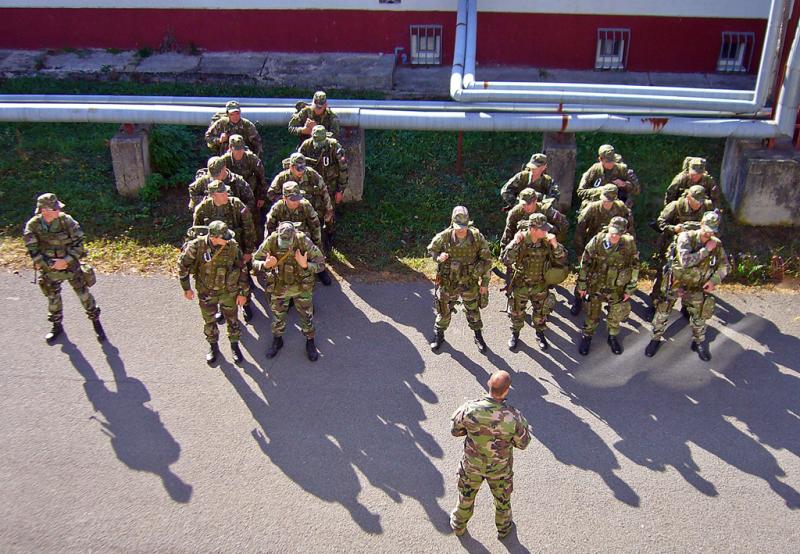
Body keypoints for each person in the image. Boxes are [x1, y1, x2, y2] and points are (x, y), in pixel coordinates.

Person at [450, 370, 531, 540]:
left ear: (488, 384)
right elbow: (522, 443)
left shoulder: (469, 409)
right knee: (502, 501)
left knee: (466, 496)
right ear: (507, 390)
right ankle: (504, 529)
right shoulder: (514, 417)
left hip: (472, 466)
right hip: (500, 469)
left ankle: (458, 525)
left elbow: (455, 431)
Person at [645, 211, 729, 361]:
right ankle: (655, 338)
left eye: (712, 231)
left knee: (699, 316)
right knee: (663, 311)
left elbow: (725, 266)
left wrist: (714, 281)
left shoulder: (716, 244)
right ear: (701, 224)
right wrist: (706, 250)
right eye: (707, 229)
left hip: (697, 286)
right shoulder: (686, 237)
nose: (709, 233)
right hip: (675, 283)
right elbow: (685, 261)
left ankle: (699, 342)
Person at [23, 193, 105, 343]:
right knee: (53, 297)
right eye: (55, 208)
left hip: (71, 267)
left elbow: (79, 244)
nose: (59, 210)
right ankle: (56, 326)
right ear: (44, 210)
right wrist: (50, 264)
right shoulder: (33, 226)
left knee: (83, 294)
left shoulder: (67, 221)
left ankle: (96, 322)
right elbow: (33, 250)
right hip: (50, 269)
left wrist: (66, 261)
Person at [253, 222, 326, 362]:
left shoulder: (303, 241)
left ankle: (310, 341)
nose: (285, 245)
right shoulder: (272, 241)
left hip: (301, 287)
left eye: (288, 242)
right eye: (283, 242)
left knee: (307, 316)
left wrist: (305, 265)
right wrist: (265, 264)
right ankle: (277, 340)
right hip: (279, 287)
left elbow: (321, 264)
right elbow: (255, 260)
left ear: (294, 235)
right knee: (278, 317)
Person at [178, 221, 249, 364]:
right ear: (214, 237)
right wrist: (186, 288)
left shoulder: (233, 246)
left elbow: (242, 269)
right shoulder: (197, 246)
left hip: (228, 292)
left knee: (232, 320)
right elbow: (183, 265)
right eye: (224, 238)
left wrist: (243, 293)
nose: (227, 240)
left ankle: (234, 345)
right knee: (209, 321)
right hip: (206, 292)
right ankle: (213, 346)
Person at [427, 206, 493, 353]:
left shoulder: (477, 237)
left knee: (473, 309)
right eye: (458, 227)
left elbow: (487, 261)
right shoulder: (444, 237)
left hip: (469, 282)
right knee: (444, 310)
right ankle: (439, 335)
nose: (461, 230)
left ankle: (478, 335)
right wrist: (439, 257)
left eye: (464, 227)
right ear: (452, 223)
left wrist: (485, 283)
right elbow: (431, 249)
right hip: (449, 282)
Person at [501, 213, 567, 351]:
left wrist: (555, 245)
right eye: (543, 229)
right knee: (517, 312)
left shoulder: (547, 241)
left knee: (540, 312)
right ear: (533, 229)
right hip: (521, 286)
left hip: (540, 286)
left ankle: (540, 333)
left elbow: (562, 259)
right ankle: (515, 333)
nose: (546, 231)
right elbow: (505, 260)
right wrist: (514, 243)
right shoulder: (521, 240)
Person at [193, 180, 257, 322]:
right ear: (213, 195)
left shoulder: (236, 205)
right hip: (214, 255)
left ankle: (246, 304)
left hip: (236, 251)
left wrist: (248, 250)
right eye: (222, 193)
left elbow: (249, 227)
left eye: (226, 192)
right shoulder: (202, 209)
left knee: (242, 278)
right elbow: (196, 234)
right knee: (218, 282)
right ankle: (223, 308)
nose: (226, 195)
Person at [576, 216, 639, 356]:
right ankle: (587, 336)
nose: (614, 236)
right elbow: (585, 263)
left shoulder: (628, 244)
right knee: (592, 313)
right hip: (596, 285)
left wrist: (630, 288)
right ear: (609, 228)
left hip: (617, 286)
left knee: (615, 313)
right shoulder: (597, 241)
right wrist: (582, 284)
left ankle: (613, 336)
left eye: (618, 234)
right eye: (613, 232)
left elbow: (635, 265)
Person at [571, 184, 634, 316]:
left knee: (611, 277)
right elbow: (580, 231)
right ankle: (578, 300)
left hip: (615, 246)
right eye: (605, 200)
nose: (607, 203)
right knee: (585, 275)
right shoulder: (592, 208)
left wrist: (629, 246)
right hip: (594, 246)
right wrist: (580, 252)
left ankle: (611, 303)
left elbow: (629, 228)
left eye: (610, 201)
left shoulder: (621, 208)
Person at [650, 185, 715, 303]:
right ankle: (657, 300)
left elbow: (714, 226)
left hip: (696, 247)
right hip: (672, 246)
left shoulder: (707, 207)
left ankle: (688, 306)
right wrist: (674, 228)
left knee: (693, 278)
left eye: (700, 201)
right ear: (688, 197)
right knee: (664, 274)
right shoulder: (676, 206)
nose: (698, 204)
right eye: (695, 200)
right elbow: (661, 223)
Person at [264, 181, 332, 287]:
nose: (296, 202)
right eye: (293, 199)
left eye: (298, 198)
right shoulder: (277, 208)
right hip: (284, 241)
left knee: (313, 248)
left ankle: (320, 271)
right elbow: (269, 229)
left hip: (303, 239)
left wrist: (317, 247)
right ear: (284, 198)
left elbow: (315, 227)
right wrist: (270, 250)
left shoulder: (305, 206)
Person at [299, 125, 348, 250]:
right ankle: (316, 239)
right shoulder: (306, 146)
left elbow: (343, 169)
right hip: (312, 187)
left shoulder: (335, 147)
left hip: (330, 186)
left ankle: (330, 236)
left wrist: (340, 190)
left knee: (329, 212)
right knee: (313, 212)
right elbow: (298, 165)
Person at [267, 153, 333, 239]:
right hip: (289, 213)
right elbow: (270, 194)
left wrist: (329, 209)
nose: (301, 172)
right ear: (291, 167)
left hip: (311, 210)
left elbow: (324, 190)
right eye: (298, 169)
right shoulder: (282, 177)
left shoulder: (311, 174)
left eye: (303, 168)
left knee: (317, 229)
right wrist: (287, 200)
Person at [576, 144, 640, 210]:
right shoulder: (594, 170)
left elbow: (636, 190)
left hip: (618, 208)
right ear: (600, 159)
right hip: (597, 207)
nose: (610, 164)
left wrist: (624, 184)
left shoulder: (622, 169)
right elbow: (581, 192)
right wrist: (601, 190)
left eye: (612, 161)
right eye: (607, 161)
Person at [500, 188, 567, 250]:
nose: (526, 207)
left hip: (544, 244)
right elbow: (508, 232)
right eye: (523, 204)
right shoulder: (515, 212)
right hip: (523, 245)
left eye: (529, 203)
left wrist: (556, 241)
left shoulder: (546, 210)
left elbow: (563, 224)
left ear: (535, 201)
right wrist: (504, 250)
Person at [188, 156, 256, 213]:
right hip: (210, 215)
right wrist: (206, 200)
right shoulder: (204, 179)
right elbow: (192, 191)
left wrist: (242, 212)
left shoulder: (237, 181)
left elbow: (250, 200)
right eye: (213, 175)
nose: (215, 177)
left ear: (224, 168)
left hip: (230, 216)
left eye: (217, 174)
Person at [221, 134, 268, 211]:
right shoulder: (224, 161)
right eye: (236, 149)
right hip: (232, 193)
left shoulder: (252, 159)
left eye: (241, 149)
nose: (239, 152)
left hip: (250, 193)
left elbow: (261, 178)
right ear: (230, 148)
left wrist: (261, 197)